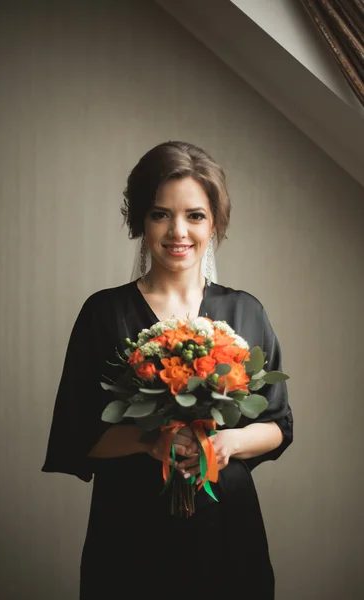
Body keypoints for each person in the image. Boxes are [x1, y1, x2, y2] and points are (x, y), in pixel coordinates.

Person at [42, 141, 293, 599]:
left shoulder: (245, 310)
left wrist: (229, 442)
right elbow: (75, 435)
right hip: (129, 533)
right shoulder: (104, 313)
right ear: (141, 219)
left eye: (195, 215)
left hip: (227, 533)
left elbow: (278, 424)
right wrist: (150, 443)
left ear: (214, 222)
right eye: (161, 214)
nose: (178, 230)